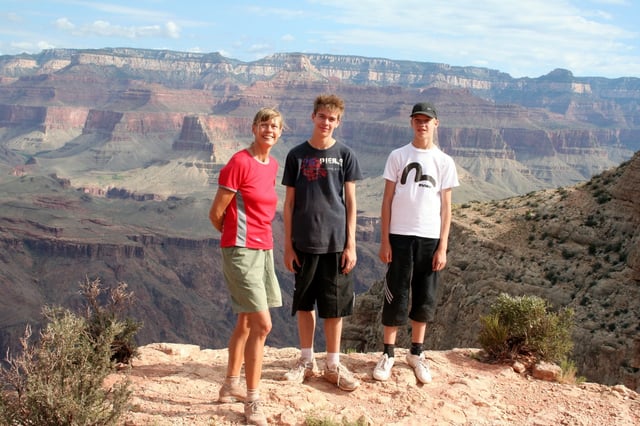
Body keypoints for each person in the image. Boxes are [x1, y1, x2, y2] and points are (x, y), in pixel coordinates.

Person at [372, 101, 459, 384]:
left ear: (436, 124)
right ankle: (388, 353)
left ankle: (417, 353)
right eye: (417, 120)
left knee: (425, 294)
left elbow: (446, 207)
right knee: (395, 292)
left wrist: (443, 246)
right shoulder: (398, 156)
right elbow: (386, 200)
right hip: (399, 235)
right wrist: (384, 239)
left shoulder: (444, 161)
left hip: (430, 236)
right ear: (411, 123)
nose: (422, 124)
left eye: (427, 120)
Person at [281, 94, 363, 391]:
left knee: (334, 307)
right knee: (304, 304)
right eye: (322, 116)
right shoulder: (296, 155)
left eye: (332, 118)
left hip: (336, 244)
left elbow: (351, 203)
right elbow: (288, 204)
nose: (326, 122)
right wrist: (287, 245)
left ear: (338, 122)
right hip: (303, 242)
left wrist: (351, 244)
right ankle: (306, 360)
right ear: (312, 117)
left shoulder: (345, 155)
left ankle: (332, 364)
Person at [209, 107, 284, 426]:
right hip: (241, 251)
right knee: (263, 325)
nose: (270, 130)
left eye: (276, 127)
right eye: (265, 125)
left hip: (263, 249)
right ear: (253, 128)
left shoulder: (272, 164)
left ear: (281, 133)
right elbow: (216, 213)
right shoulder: (238, 163)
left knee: (245, 320)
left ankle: (230, 384)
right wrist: (235, 241)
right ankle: (252, 400)